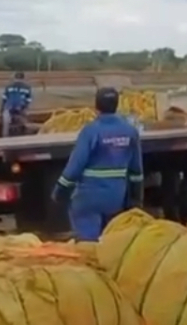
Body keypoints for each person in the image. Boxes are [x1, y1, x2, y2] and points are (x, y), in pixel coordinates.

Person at [52, 87, 144, 242]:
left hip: (88, 199)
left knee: (88, 243)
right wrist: (136, 199)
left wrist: (60, 192)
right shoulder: (130, 131)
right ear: (117, 105)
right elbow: (136, 172)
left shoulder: (90, 131)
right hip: (116, 198)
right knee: (111, 241)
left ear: (96, 106)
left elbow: (74, 168)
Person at [0, 71, 33, 137]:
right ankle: (23, 137)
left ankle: (4, 138)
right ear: (23, 79)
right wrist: (24, 108)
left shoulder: (9, 87)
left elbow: (4, 99)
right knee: (23, 124)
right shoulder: (27, 87)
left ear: (14, 78)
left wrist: (2, 109)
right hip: (20, 108)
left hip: (9, 108)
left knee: (6, 124)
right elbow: (28, 100)